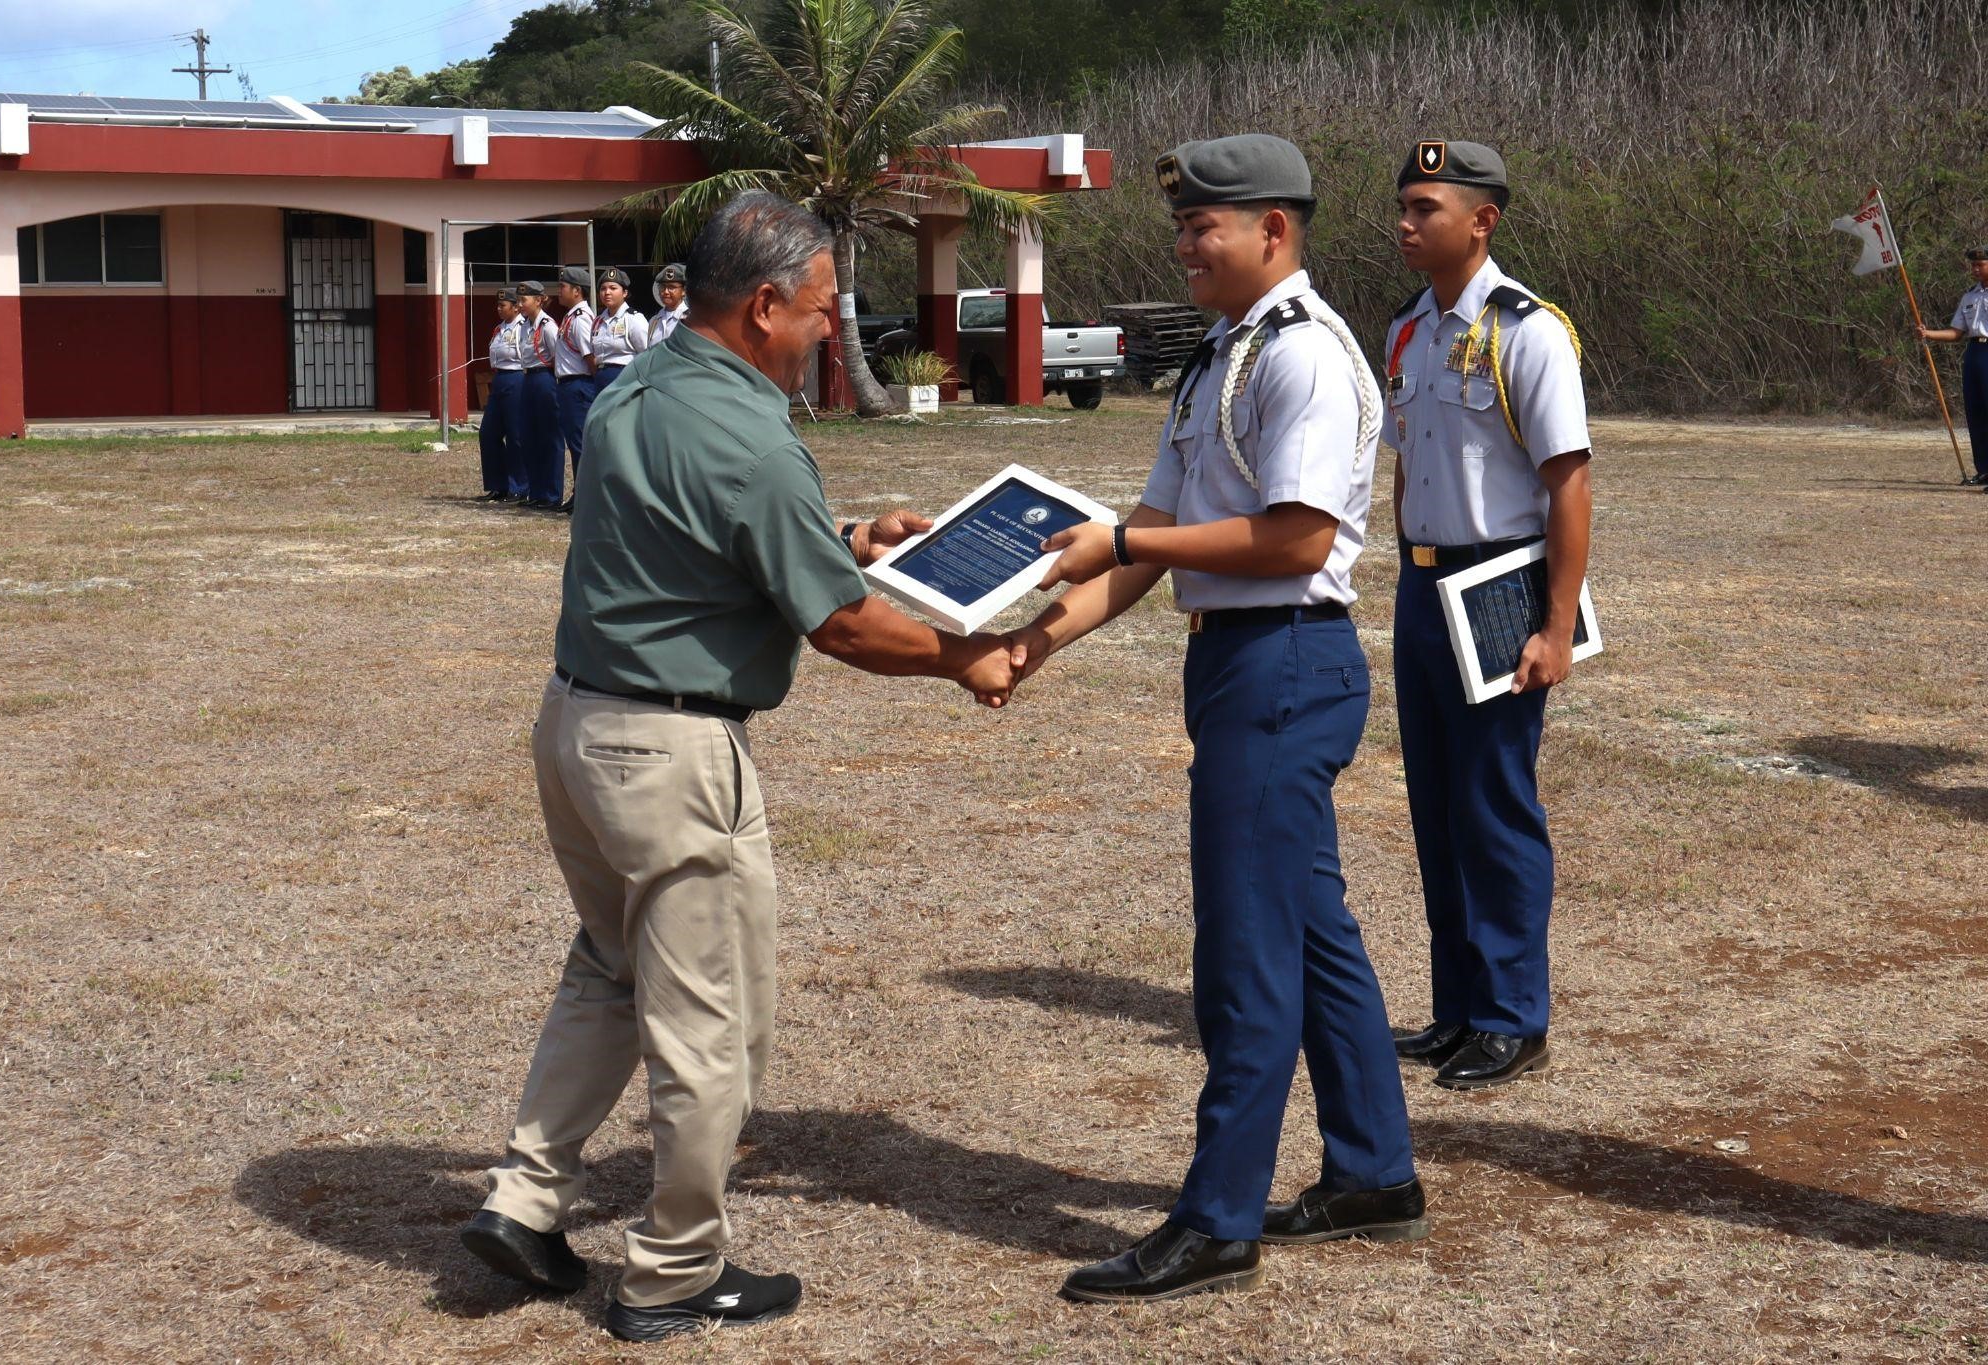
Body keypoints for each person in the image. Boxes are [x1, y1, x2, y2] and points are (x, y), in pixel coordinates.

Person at [458, 190, 1027, 1344]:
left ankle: (524, 1201)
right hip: (671, 752)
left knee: (608, 970)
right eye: (820, 310)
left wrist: (844, 538)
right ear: (765, 304)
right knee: (707, 1021)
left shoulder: (638, 388)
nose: (829, 331)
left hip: (578, 725)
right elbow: (847, 631)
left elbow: (694, 541)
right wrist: (967, 656)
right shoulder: (747, 429)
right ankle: (672, 1270)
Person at [1011, 134, 1425, 1305]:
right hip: (1240, 666)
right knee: (1307, 930)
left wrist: (1127, 542)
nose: (1186, 244)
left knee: (1244, 954)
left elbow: (1292, 538)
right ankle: (1374, 1177)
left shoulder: (1303, 358)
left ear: (1273, 232)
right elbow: (1149, 521)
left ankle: (1217, 1218)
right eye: (1182, 225)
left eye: (1206, 226)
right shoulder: (1220, 358)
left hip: (1284, 663)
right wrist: (1035, 643)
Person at [1382, 140, 1592, 1090]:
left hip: (1500, 584)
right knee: (1434, 801)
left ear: (1483, 220)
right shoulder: (1409, 332)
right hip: (1422, 586)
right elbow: (1402, 463)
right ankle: (1459, 1006)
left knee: (1494, 801)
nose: (1407, 222)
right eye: (1404, 206)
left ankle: (1514, 1014)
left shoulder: (1527, 330)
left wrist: (1553, 627)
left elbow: (1568, 483)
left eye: (1427, 206)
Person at [1915, 244, 1988, 488]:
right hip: (1975, 352)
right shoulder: (1969, 296)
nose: (1975, 269)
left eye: (1981, 265)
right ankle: (1984, 470)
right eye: (1973, 265)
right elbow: (1957, 332)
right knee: (1975, 412)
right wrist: (1929, 334)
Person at [514, 280, 567, 512]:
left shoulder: (547, 326)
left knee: (550, 437)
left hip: (545, 379)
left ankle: (552, 494)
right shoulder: (525, 325)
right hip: (528, 379)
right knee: (528, 436)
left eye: (524, 300)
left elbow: (557, 357)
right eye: (518, 300)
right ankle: (535, 491)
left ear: (538, 300)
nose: (520, 304)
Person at [553, 267, 600, 515]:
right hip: (568, 385)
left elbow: (590, 358)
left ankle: (585, 495)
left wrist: (596, 388)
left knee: (580, 443)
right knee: (574, 442)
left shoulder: (581, 318)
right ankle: (578, 492)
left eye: (563, 286)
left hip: (578, 385)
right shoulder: (571, 316)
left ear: (577, 291)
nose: (559, 291)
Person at [477, 288, 526, 503]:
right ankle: (498, 485)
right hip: (500, 379)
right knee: (488, 433)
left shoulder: (523, 328)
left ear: (516, 307)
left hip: (517, 378)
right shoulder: (499, 329)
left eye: (503, 305)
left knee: (516, 435)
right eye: (497, 305)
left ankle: (519, 486)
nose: (498, 309)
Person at [589, 266, 649, 396]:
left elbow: (647, 354)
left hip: (624, 379)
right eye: (603, 289)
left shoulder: (634, 319)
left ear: (625, 293)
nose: (607, 292)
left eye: (613, 288)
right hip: (601, 380)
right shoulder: (598, 321)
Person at [648, 263, 689, 347]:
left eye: (671, 287)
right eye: (662, 287)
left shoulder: (691, 319)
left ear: (683, 291)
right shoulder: (654, 321)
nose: (666, 292)